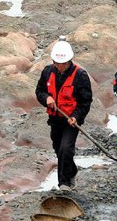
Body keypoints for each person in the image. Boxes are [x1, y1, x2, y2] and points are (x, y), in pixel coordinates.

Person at [35, 37, 93, 191]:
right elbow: (39, 91)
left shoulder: (80, 75)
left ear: (70, 61)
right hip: (55, 119)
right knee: (58, 148)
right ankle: (72, 170)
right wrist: (46, 98)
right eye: (57, 63)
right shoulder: (47, 72)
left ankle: (64, 183)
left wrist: (76, 116)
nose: (60, 66)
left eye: (63, 63)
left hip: (71, 121)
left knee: (66, 149)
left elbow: (85, 101)